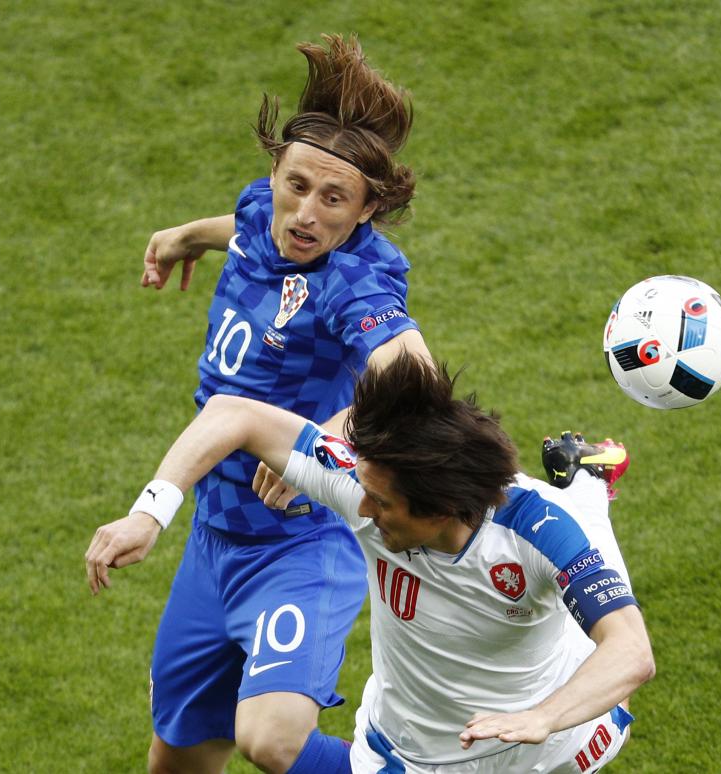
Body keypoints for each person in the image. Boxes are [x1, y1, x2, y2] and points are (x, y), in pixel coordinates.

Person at [91, 35, 430, 774]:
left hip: (299, 543)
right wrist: (188, 236)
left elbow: (413, 372)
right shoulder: (261, 212)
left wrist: (332, 432)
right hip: (215, 541)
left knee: (270, 739)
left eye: (333, 199)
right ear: (275, 170)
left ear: (368, 209)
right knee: (177, 756)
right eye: (296, 184)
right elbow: (247, 231)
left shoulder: (354, 282)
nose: (305, 214)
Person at [87, 352, 656, 773]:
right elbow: (232, 414)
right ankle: (587, 479)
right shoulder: (364, 486)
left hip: (551, 748)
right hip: (410, 754)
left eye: (381, 503)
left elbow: (631, 653)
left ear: (441, 510)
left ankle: (587, 484)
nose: (360, 509)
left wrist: (545, 718)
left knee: (598, 609)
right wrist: (150, 513)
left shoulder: (536, 531)